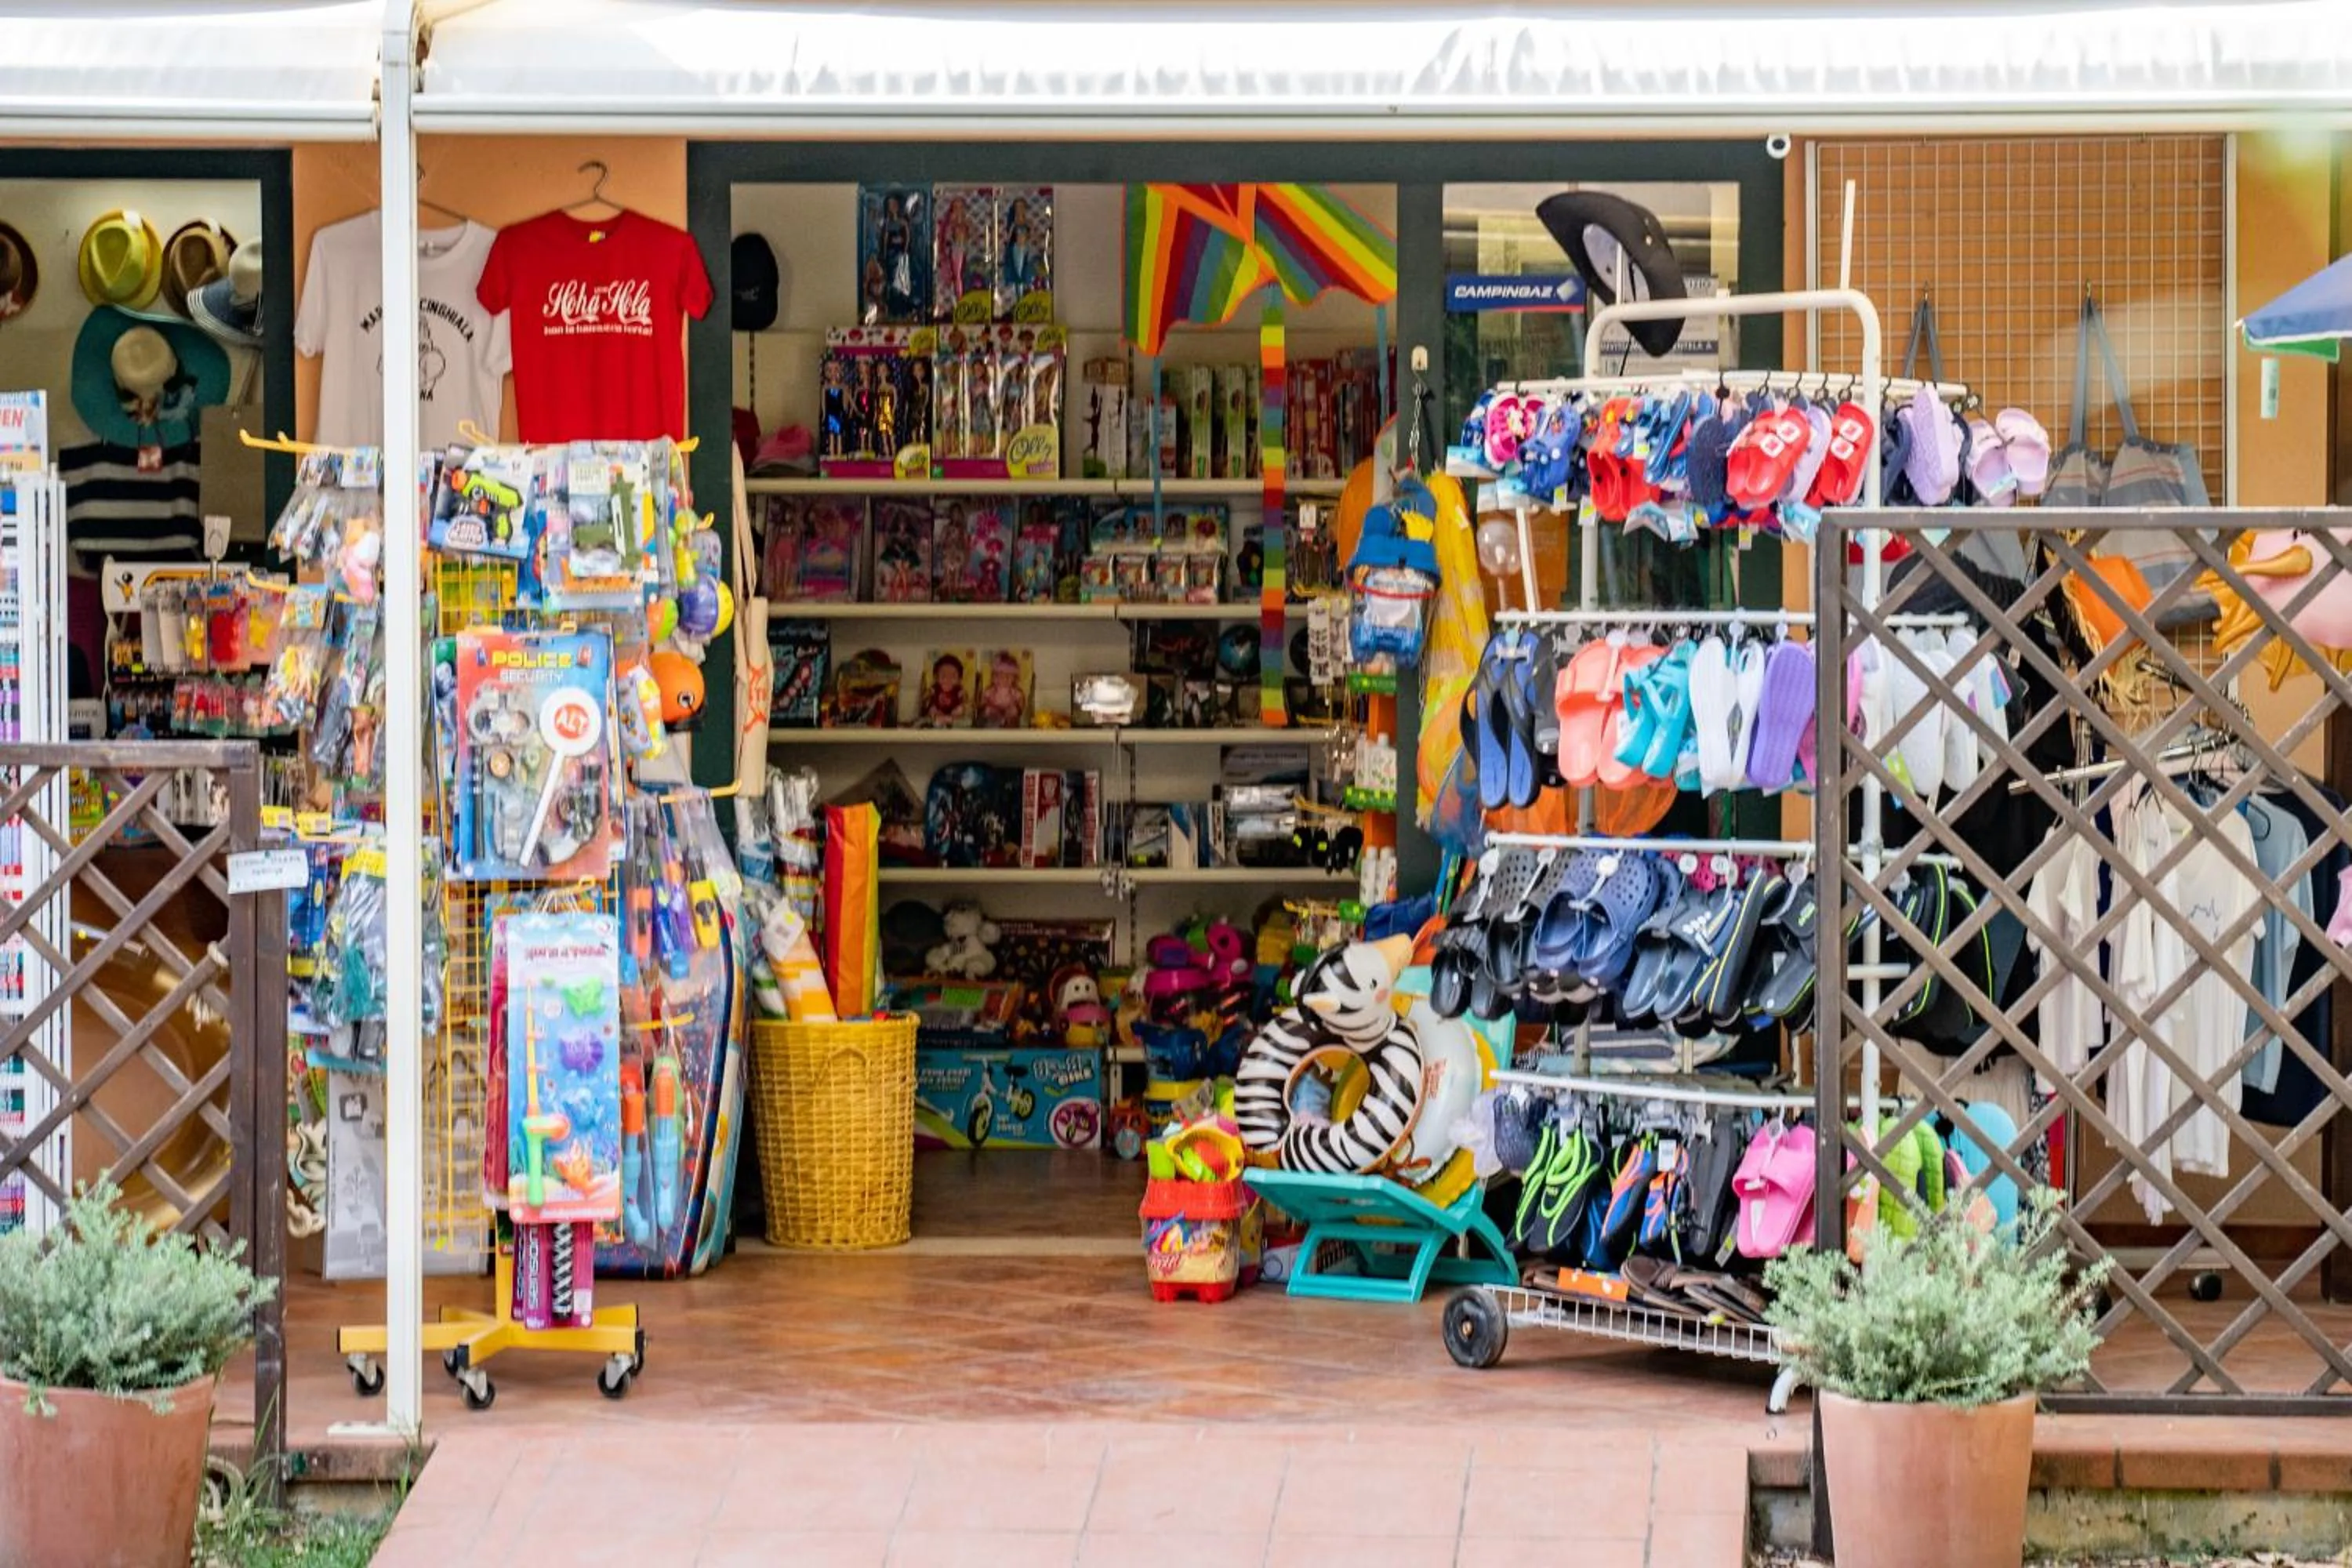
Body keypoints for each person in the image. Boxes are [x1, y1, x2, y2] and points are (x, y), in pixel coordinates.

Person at [920, 652, 968, 726]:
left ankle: (950, 719)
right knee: (932, 709)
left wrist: (964, 698)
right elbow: (927, 695)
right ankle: (939, 719)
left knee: (960, 710)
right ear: (936, 678)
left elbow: (964, 698)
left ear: (959, 680)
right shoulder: (936, 688)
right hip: (938, 710)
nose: (948, 680)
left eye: (953, 677)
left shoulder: (957, 689)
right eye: (943, 676)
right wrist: (927, 695)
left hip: (953, 711)